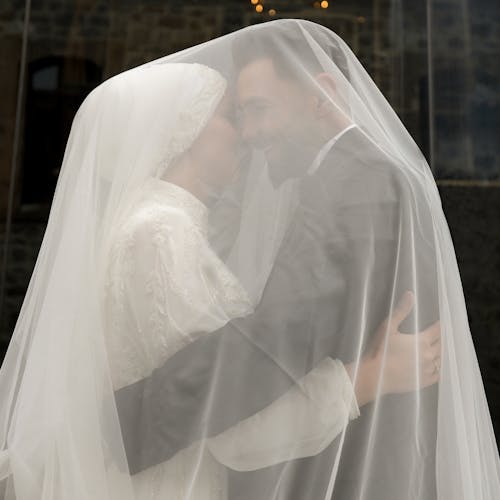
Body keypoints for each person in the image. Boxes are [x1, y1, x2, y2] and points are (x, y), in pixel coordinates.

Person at [0, 19, 498, 500]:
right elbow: (231, 406)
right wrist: (367, 379)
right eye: (231, 115)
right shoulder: (160, 233)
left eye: (251, 111)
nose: (244, 133)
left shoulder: (159, 223)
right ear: (184, 130)